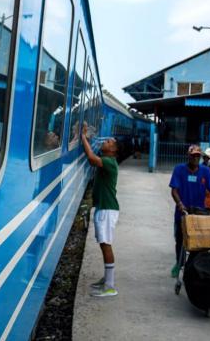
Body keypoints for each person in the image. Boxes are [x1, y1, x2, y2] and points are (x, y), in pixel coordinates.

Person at [169, 144, 210, 278]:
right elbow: (174, 190)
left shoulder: (205, 171)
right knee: (180, 240)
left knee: (198, 242)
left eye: (197, 156)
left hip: (199, 213)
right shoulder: (179, 170)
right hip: (182, 212)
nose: (195, 158)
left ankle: (193, 266)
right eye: (193, 156)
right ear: (188, 156)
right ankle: (179, 263)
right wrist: (180, 204)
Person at [81, 124, 120, 297]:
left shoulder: (110, 163)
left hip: (107, 209)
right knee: (104, 244)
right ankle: (106, 280)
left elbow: (91, 158)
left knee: (106, 245)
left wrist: (83, 137)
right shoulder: (107, 161)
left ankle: (110, 286)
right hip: (104, 208)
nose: (106, 141)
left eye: (109, 142)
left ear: (113, 150)